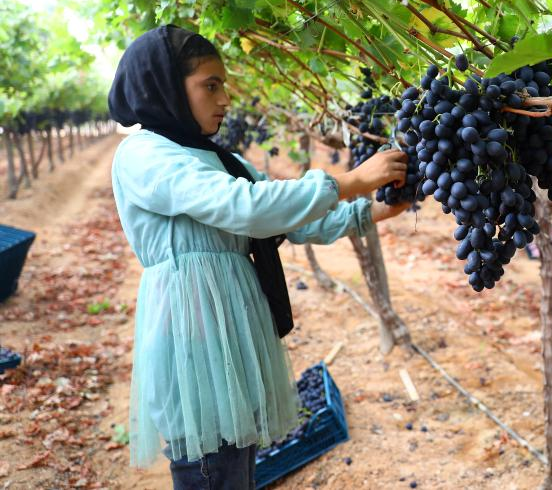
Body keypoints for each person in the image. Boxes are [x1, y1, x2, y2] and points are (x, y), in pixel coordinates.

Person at [107, 25, 408, 489]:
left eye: (223, 85)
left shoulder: (220, 159)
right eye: (210, 85)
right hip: (194, 330)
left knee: (235, 453)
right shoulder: (144, 154)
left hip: (231, 325)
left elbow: (296, 220)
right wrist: (349, 181)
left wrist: (380, 208)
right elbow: (243, 207)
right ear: (164, 87)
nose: (225, 99)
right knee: (209, 459)